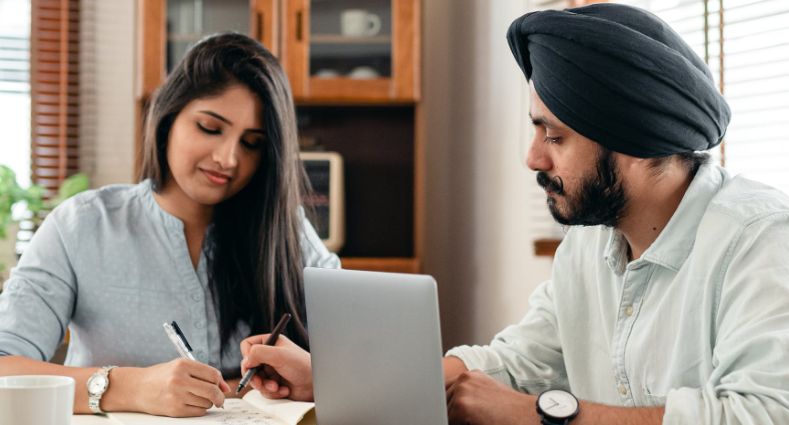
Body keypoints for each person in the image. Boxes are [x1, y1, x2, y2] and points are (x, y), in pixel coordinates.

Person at [237, 4, 789, 424]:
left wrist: (537, 415)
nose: (533, 157)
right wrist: (339, 380)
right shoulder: (588, 245)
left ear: (640, 145)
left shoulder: (762, 239)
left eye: (555, 136)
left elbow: (762, 414)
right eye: (535, 128)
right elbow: (516, 363)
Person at [0, 32, 340, 417]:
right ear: (168, 117)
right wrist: (130, 387)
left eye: (251, 143)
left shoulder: (288, 233)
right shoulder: (81, 225)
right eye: (211, 128)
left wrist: (320, 377)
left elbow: (370, 356)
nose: (228, 158)